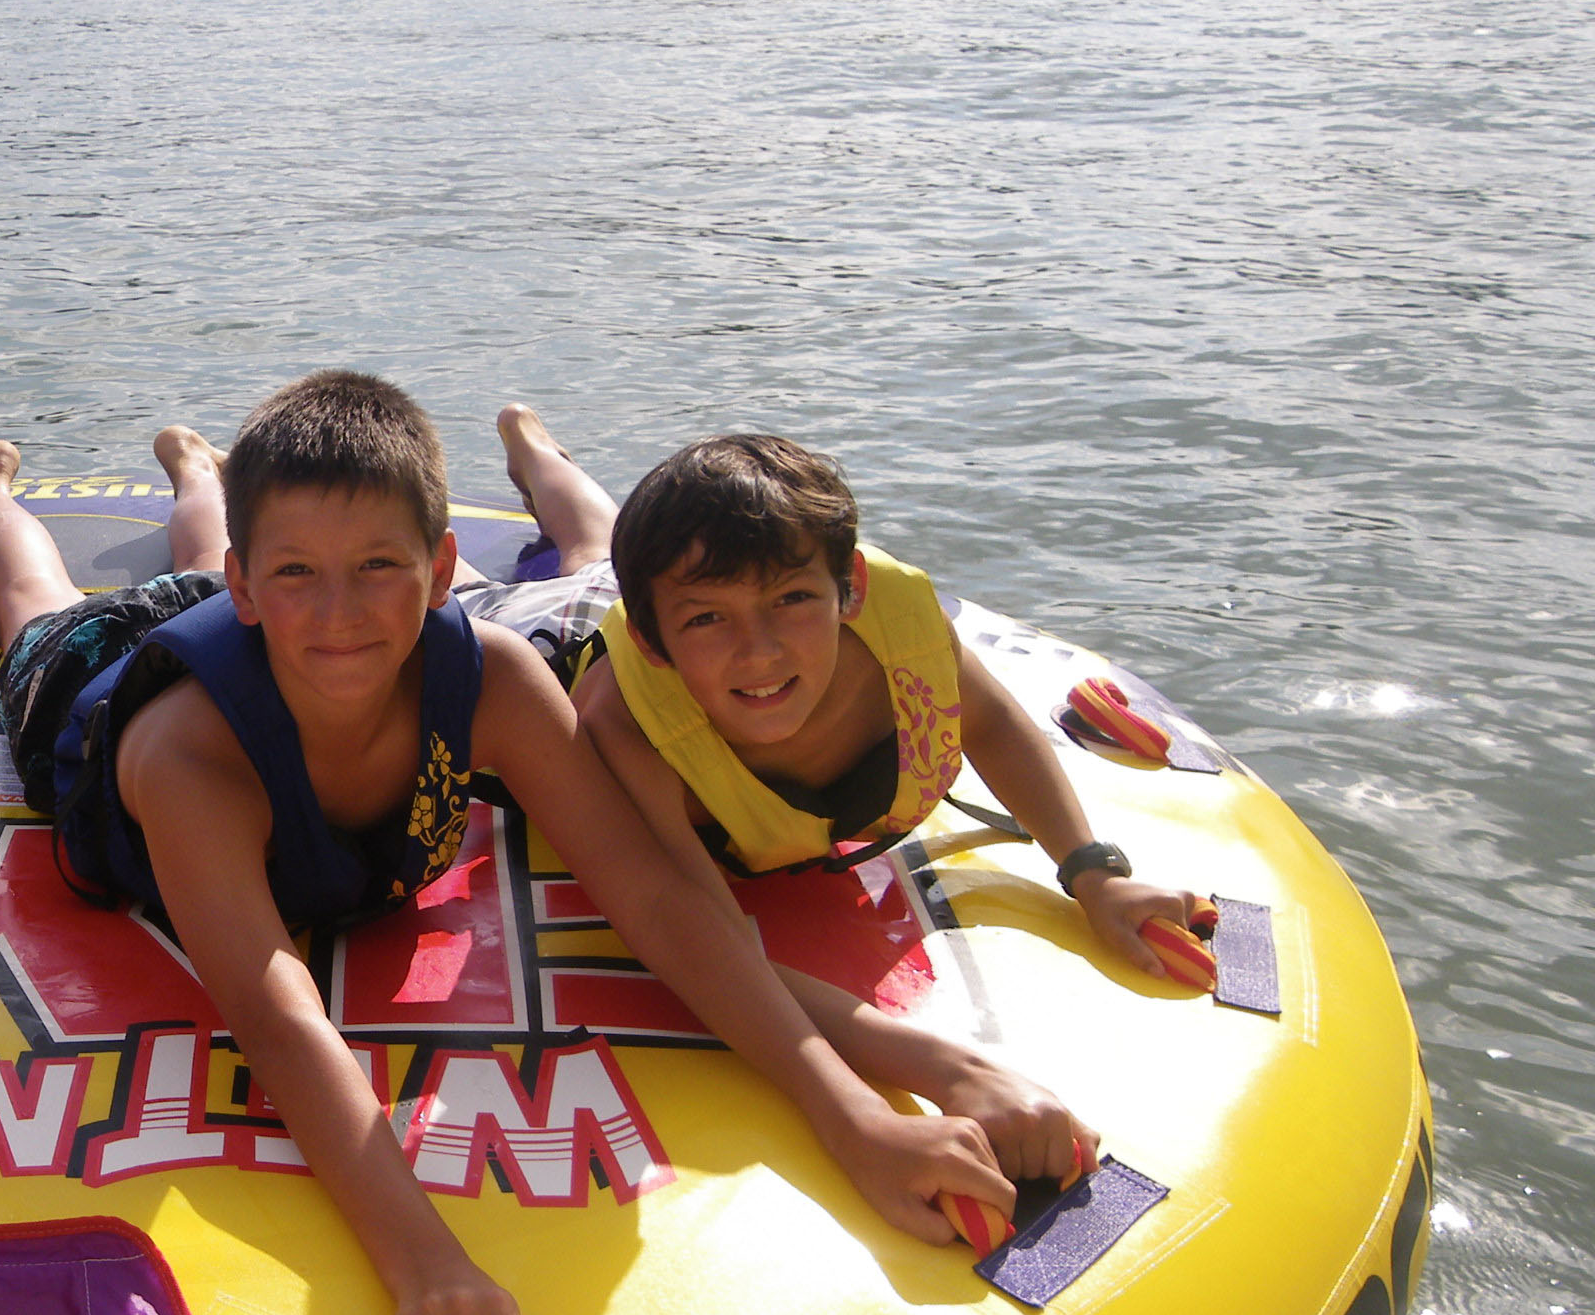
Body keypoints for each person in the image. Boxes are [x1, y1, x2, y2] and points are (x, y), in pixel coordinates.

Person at [0, 372, 1077, 1315]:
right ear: (254, 585)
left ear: (439, 574)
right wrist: (429, 1265)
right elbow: (277, 1012)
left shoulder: (492, 677)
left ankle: (199, 480)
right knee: (34, 598)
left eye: (381, 568)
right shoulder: (193, 761)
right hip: (90, 686)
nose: (342, 614)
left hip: (228, 614)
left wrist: (895, 1092)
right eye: (295, 574)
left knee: (215, 573)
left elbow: (665, 907)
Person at [467, 412, 1205, 973]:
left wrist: (1093, 874)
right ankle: (533, 466)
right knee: (497, 597)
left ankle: (535, 451)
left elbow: (993, 723)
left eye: (791, 598)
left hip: (664, 607)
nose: (761, 651)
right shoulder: (626, 724)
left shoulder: (901, 633)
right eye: (717, 618)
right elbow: (701, 935)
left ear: (848, 588)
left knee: (598, 553)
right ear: (657, 643)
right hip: (570, 639)